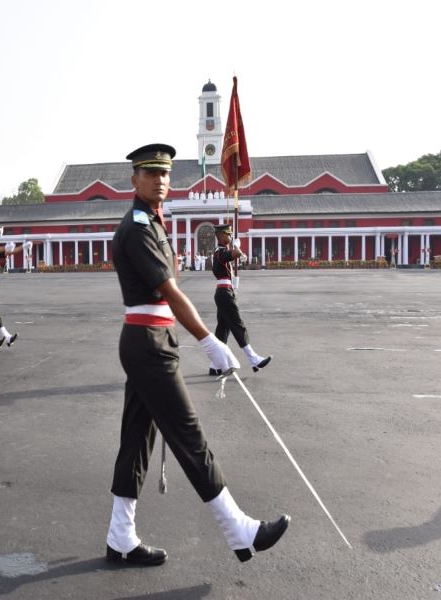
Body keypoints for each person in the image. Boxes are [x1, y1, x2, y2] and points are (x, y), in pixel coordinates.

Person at [104, 143, 289, 567]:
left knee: (136, 441)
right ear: (134, 180)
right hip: (149, 344)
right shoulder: (139, 227)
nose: (160, 180)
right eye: (151, 173)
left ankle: (120, 536)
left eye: (165, 173)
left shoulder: (153, 222)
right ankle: (238, 529)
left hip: (150, 340)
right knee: (189, 436)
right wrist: (209, 339)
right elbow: (169, 291)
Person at [210, 224, 271, 374]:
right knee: (237, 325)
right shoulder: (220, 252)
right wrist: (237, 245)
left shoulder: (221, 252)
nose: (230, 237)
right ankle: (253, 358)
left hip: (224, 292)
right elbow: (236, 253)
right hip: (225, 294)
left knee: (223, 329)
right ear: (221, 236)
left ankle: (215, 365)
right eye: (228, 234)